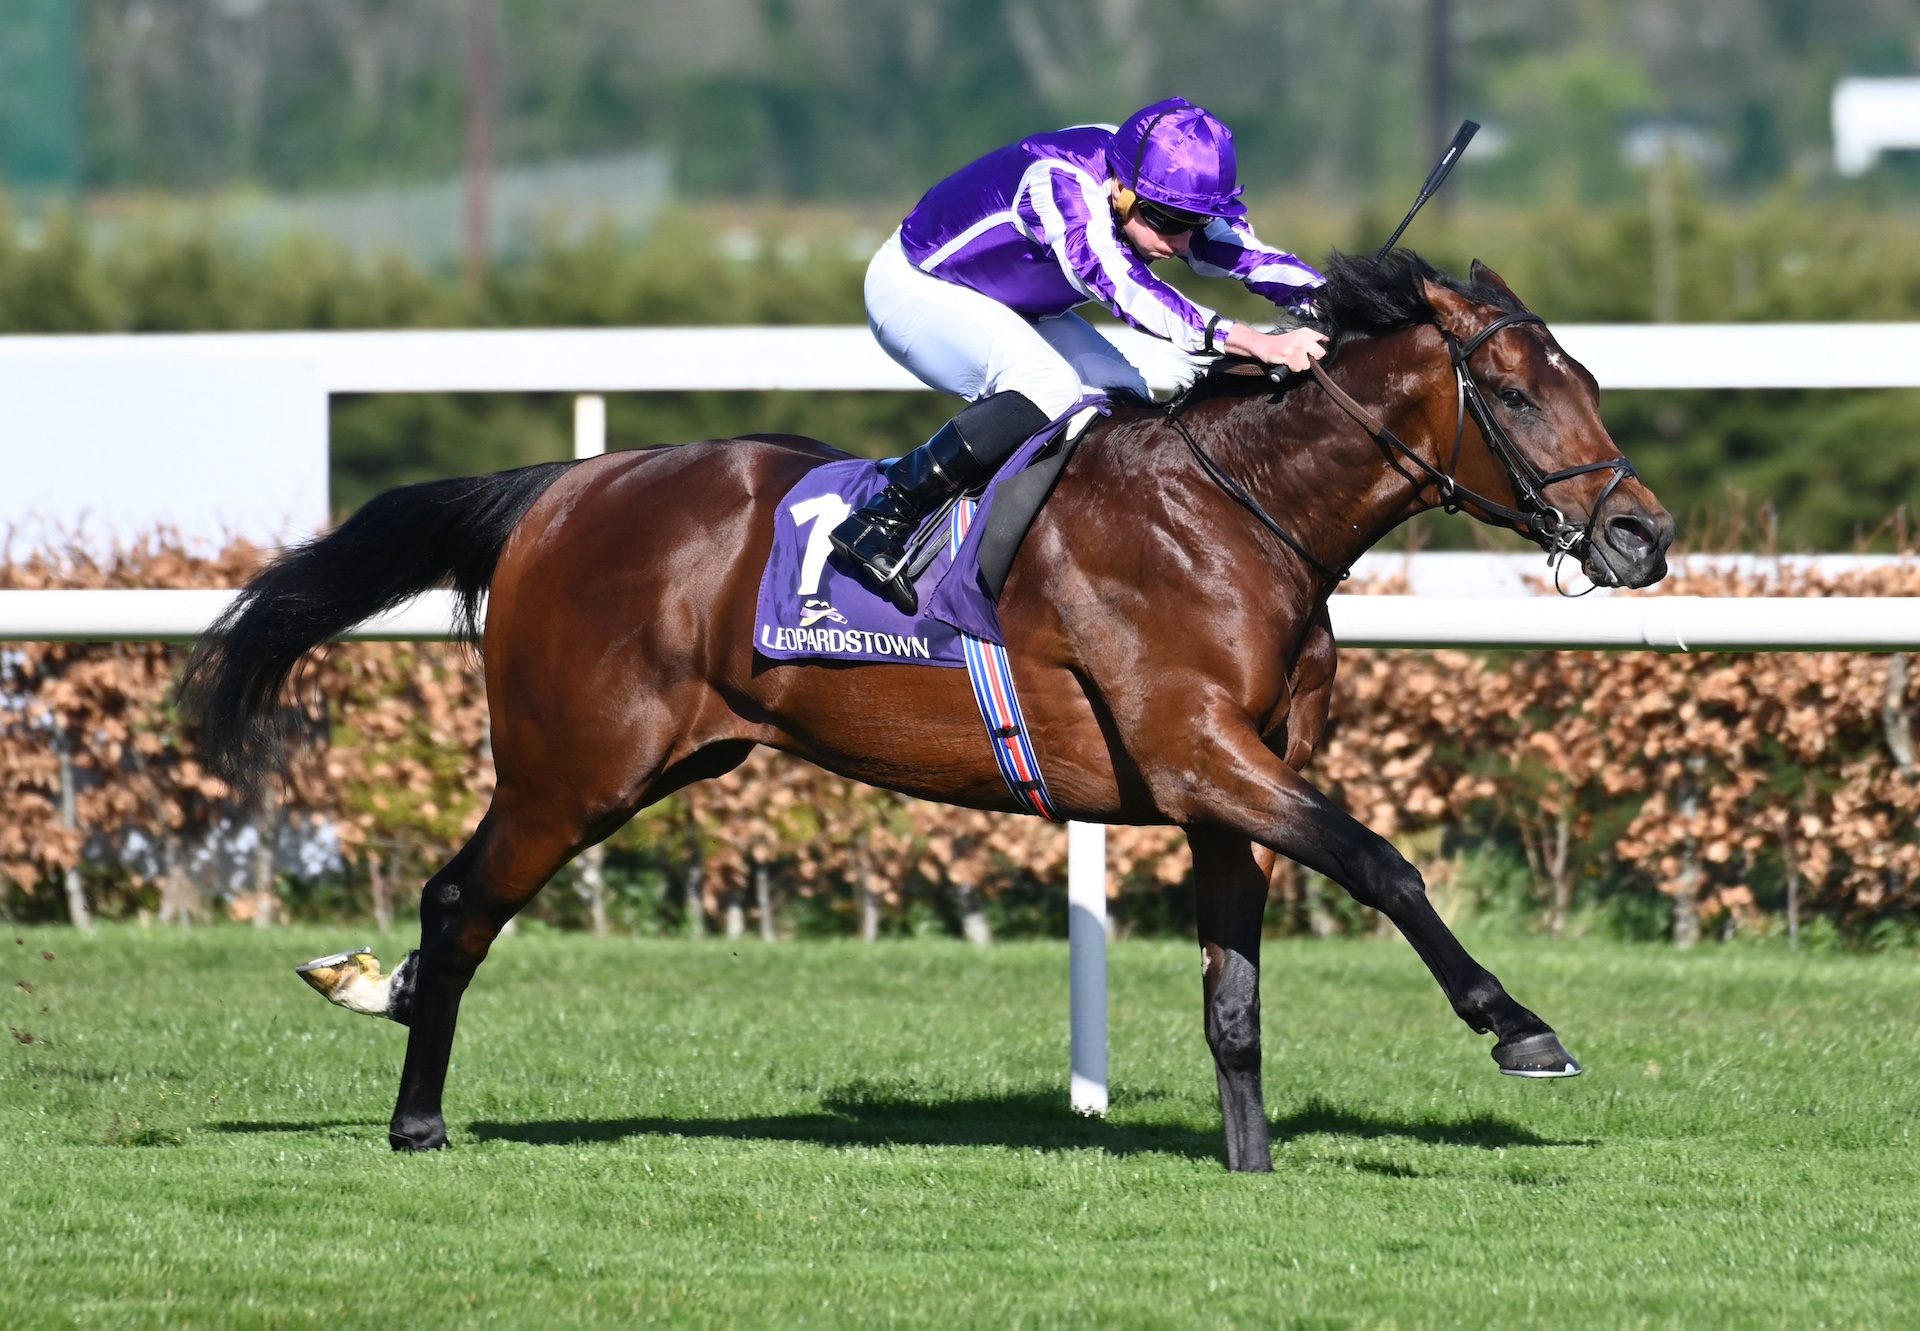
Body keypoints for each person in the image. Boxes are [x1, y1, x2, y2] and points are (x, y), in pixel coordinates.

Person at [830, 96, 1331, 612]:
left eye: (1195, 223)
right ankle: (884, 516)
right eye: (1166, 221)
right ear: (1121, 190)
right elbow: (1126, 288)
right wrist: (1256, 341)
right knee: (1048, 386)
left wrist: (1341, 302)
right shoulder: (1060, 185)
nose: (1182, 242)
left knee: (1125, 399)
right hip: (915, 289)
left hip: (1015, 303)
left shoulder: (1155, 177)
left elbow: (1249, 256)